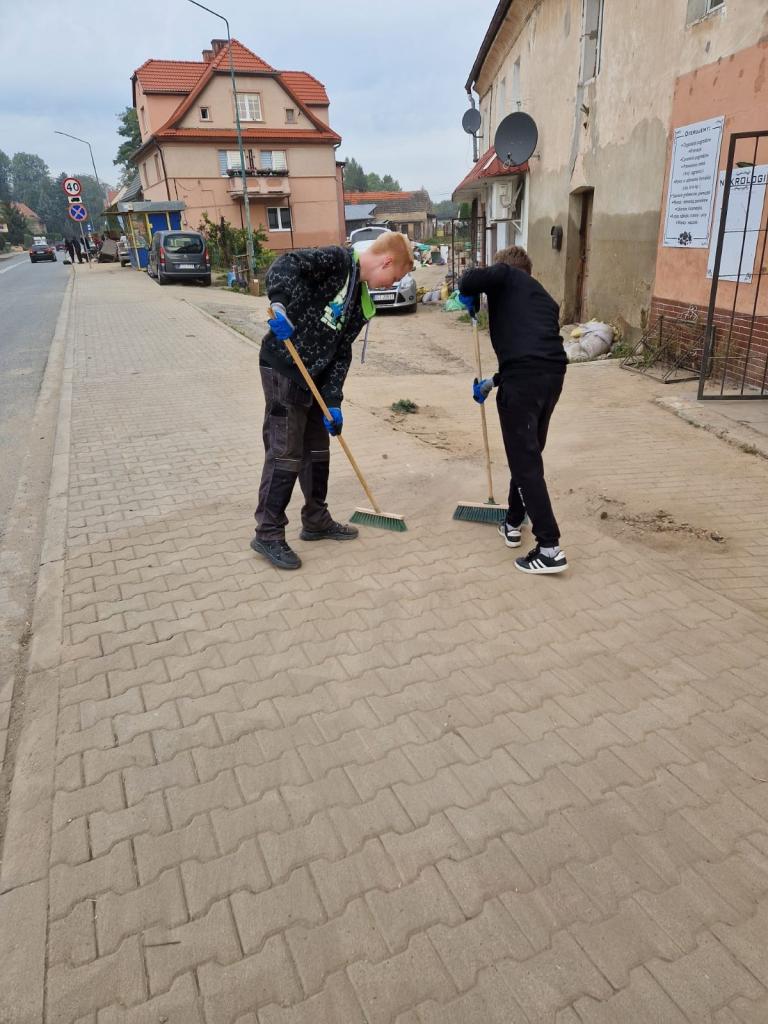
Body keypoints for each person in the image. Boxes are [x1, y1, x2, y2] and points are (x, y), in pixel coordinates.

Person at [252, 231, 414, 570]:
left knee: (316, 450)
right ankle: (268, 533)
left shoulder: (361, 302)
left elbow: (341, 352)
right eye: (394, 277)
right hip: (285, 364)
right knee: (286, 452)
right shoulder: (338, 261)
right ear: (386, 261)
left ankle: (316, 519)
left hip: (315, 380)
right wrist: (279, 304)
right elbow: (286, 265)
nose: (389, 284)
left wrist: (334, 400)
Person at [458, 245, 568, 575]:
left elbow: (467, 279)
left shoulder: (505, 274)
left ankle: (549, 547)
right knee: (527, 456)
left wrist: (470, 293)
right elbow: (530, 352)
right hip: (552, 378)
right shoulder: (546, 300)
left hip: (524, 383)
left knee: (526, 463)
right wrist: (492, 383)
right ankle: (513, 522)